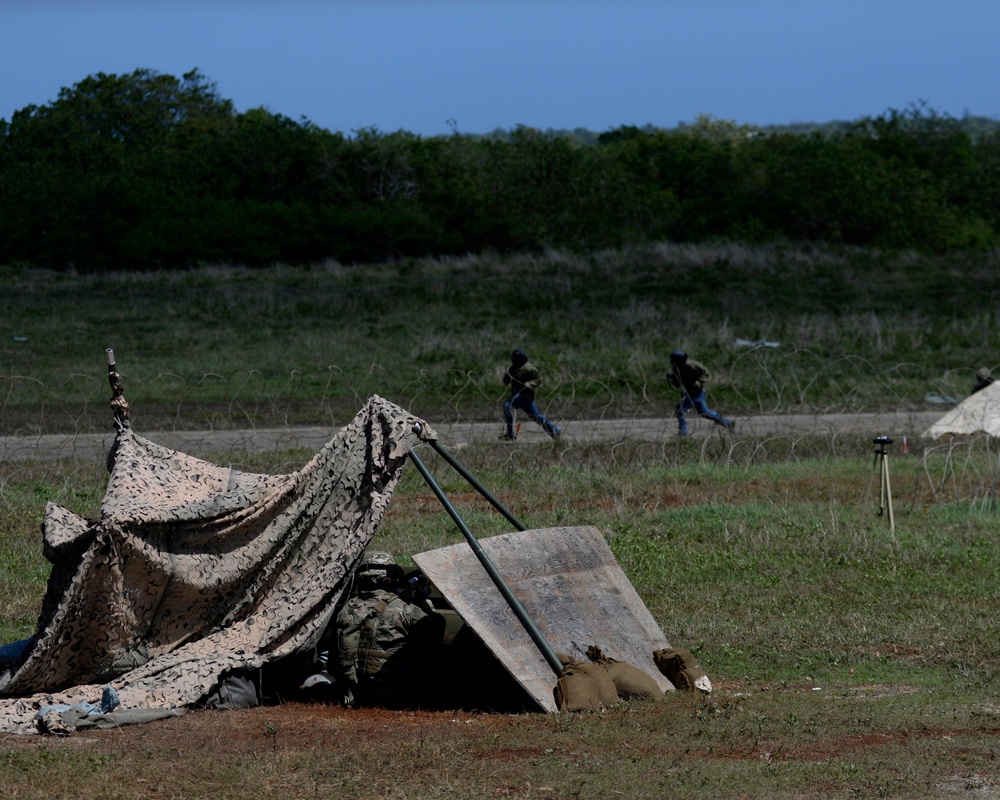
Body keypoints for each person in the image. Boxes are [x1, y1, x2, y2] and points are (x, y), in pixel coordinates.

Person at [667, 350, 734, 436]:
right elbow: (677, 384)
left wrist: (698, 383)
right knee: (705, 413)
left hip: (697, 392)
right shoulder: (676, 368)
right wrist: (672, 378)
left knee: (680, 408)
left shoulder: (693, 365)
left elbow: (707, 374)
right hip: (689, 393)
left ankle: (683, 432)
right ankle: (728, 423)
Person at [501, 348, 561, 440]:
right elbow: (506, 382)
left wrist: (529, 384)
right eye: (515, 358)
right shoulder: (512, 369)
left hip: (525, 396)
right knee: (535, 416)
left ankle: (510, 434)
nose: (516, 360)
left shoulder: (528, 368)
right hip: (518, 396)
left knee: (507, 406)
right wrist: (507, 376)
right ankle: (554, 430)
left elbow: (539, 379)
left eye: (518, 358)